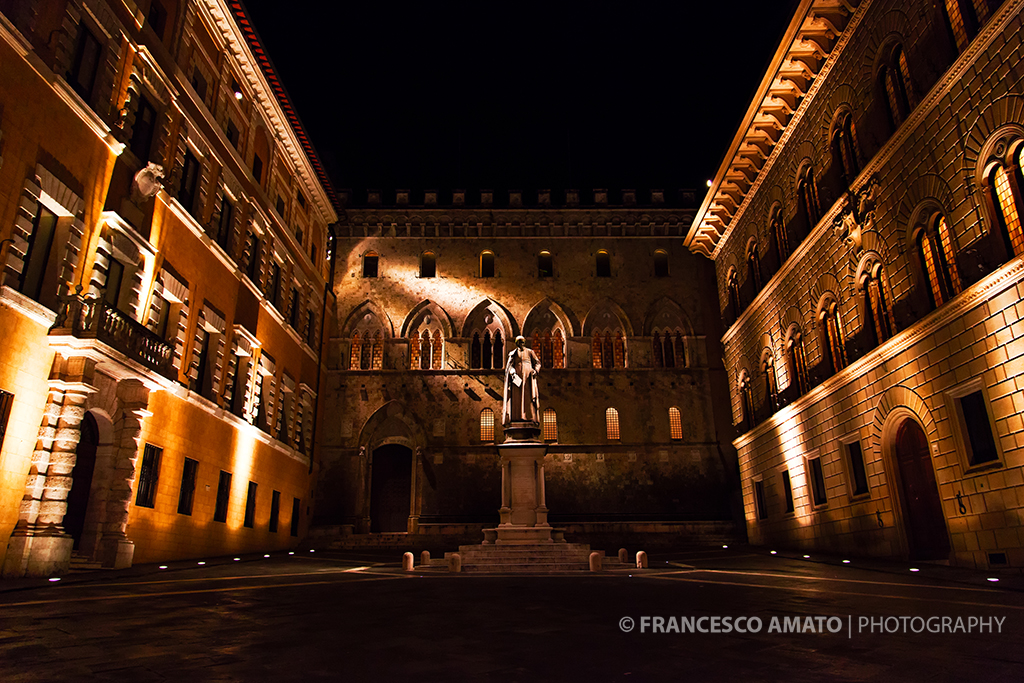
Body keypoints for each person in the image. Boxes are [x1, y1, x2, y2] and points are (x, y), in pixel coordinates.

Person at [502, 335, 541, 426]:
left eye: (522, 342)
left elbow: (537, 363)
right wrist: (512, 373)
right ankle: (516, 417)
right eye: (519, 342)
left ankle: (529, 417)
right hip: (517, 379)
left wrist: (536, 371)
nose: (521, 344)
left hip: (528, 378)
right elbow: (510, 366)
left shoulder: (530, 352)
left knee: (528, 397)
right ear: (516, 343)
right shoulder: (513, 353)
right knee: (517, 397)